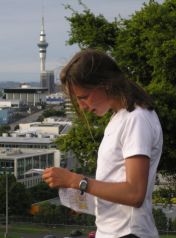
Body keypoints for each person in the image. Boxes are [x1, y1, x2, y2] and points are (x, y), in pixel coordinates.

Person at [42, 49, 163, 238]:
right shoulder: (121, 117)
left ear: (105, 84)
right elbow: (117, 183)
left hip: (128, 233)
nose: (82, 106)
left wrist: (76, 181)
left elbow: (135, 194)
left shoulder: (136, 119)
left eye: (83, 97)